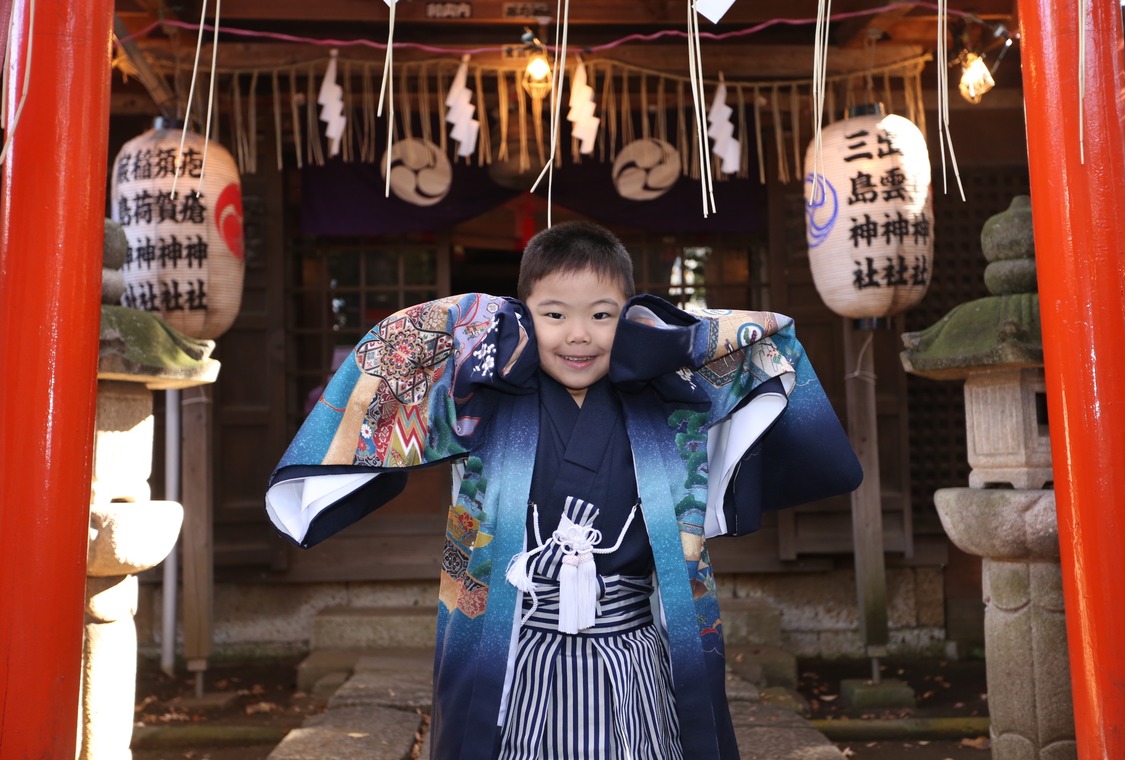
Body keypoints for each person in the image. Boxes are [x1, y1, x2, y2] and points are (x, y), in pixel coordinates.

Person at [266, 220, 862, 759]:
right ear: (522, 313)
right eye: (554, 314)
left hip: (630, 655)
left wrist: (664, 338)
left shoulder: (668, 400)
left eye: (602, 315)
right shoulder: (479, 399)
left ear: (630, 316)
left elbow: (762, 341)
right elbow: (408, 343)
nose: (578, 335)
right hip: (515, 650)